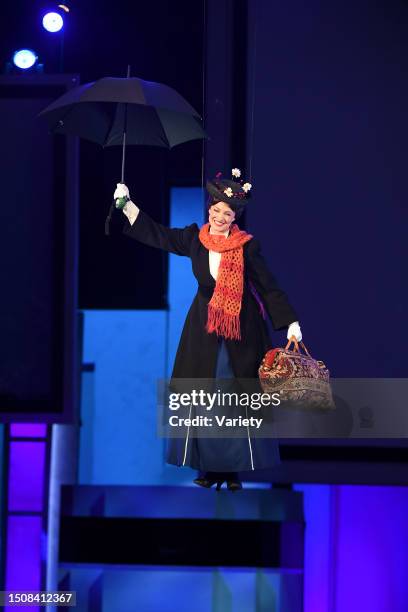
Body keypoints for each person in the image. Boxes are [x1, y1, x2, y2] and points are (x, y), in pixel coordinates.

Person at [113, 168, 302, 491]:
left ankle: (232, 471)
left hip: (240, 331)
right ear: (209, 210)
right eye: (215, 211)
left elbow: (268, 287)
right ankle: (206, 468)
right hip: (203, 329)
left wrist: (290, 323)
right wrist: (128, 205)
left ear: (235, 217)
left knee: (234, 398)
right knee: (203, 396)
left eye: (226, 213)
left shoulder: (246, 247)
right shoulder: (194, 239)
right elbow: (159, 235)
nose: (218, 218)